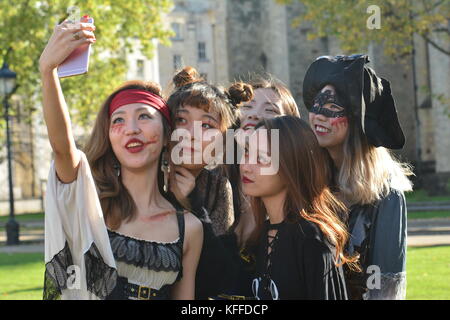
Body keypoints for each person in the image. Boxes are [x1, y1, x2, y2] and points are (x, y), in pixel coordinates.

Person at [39, 18, 203, 300]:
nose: (131, 129)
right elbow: (63, 149)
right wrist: (48, 71)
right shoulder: (88, 204)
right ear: (110, 138)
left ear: (166, 136)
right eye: (119, 120)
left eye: (143, 116)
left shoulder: (189, 228)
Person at [303, 54, 413, 299]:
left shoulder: (386, 194)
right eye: (317, 105)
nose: (318, 114)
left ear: (356, 121)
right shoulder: (309, 181)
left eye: (332, 107)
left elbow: (385, 288)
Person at [241, 116, 354, 300]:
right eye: (246, 152)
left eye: (261, 158)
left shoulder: (312, 239)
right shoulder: (262, 234)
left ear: (292, 164)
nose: (246, 166)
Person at [166, 66, 252, 299]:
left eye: (206, 125)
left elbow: (222, 277)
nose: (190, 133)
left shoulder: (217, 187)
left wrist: (193, 204)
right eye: (181, 120)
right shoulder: (145, 175)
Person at [215, 76, 302, 299]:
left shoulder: (296, 216)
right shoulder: (214, 186)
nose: (254, 114)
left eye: (270, 109)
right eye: (248, 106)